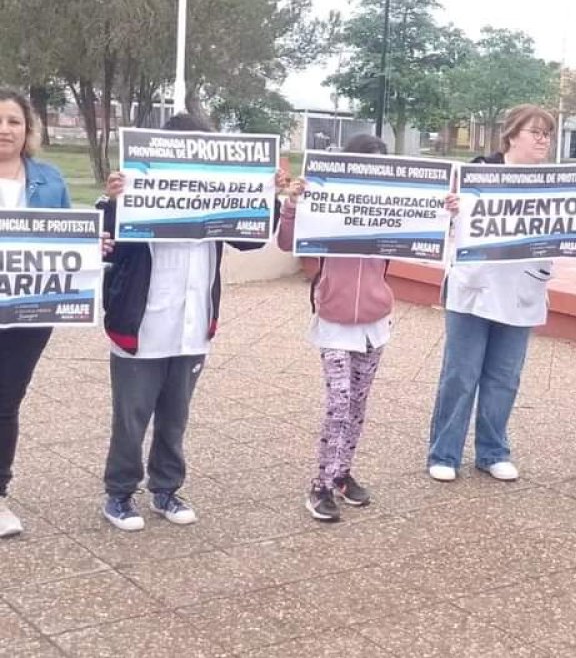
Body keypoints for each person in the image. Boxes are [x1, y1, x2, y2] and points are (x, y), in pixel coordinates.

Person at [98, 113, 285, 532]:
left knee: (175, 416)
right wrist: (115, 201)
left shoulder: (218, 193)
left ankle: (166, 488)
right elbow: (107, 247)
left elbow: (250, 238)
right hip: (141, 326)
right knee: (131, 416)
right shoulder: (133, 192)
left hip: (193, 323)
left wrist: (267, 195)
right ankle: (120, 494)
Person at [428, 104, 567, 483]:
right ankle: (444, 452)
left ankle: (492, 451)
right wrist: (453, 209)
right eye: (534, 131)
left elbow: (573, 228)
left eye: (547, 133)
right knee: (461, 374)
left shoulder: (555, 184)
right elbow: (439, 221)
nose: (543, 140)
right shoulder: (477, 173)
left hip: (523, 289)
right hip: (475, 286)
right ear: (511, 135)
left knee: (504, 377)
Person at [277, 134, 396, 522]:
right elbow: (287, 242)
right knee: (340, 403)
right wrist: (293, 205)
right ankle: (321, 485)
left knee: (358, 405)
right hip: (333, 319)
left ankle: (342, 474)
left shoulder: (392, 205)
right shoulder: (327, 203)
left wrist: (444, 211)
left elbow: (426, 236)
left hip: (374, 321)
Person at [0, 90, 73, 538]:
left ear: (28, 130)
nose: (4, 129)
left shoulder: (49, 179)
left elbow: (66, 237)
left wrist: (91, 249)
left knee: (5, 404)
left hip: (28, 312)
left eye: (13, 121)